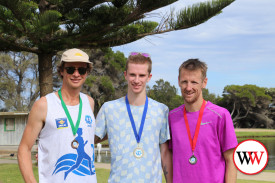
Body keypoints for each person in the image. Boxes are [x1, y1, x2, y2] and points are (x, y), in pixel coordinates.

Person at [18, 48, 97, 183]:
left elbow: (88, 138)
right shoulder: (44, 105)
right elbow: (24, 149)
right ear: (61, 71)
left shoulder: (89, 102)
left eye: (82, 70)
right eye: (70, 69)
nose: (76, 74)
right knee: (75, 165)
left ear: (87, 73)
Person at [95, 52, 173, 183]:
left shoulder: (161, 110)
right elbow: (88, 140)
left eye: (142, 75)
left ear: (149, 77)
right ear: (125, 75)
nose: (137, 80)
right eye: (132, 75)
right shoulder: (109, 109)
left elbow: (165, 154)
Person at [168, 58, 238, 183]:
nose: (188, 87)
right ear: (178, 81)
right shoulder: (171, 117)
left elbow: (231, 161)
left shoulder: (220, 115)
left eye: (194, 82)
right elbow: (169, 157)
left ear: (204, 82)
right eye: (184, 82)